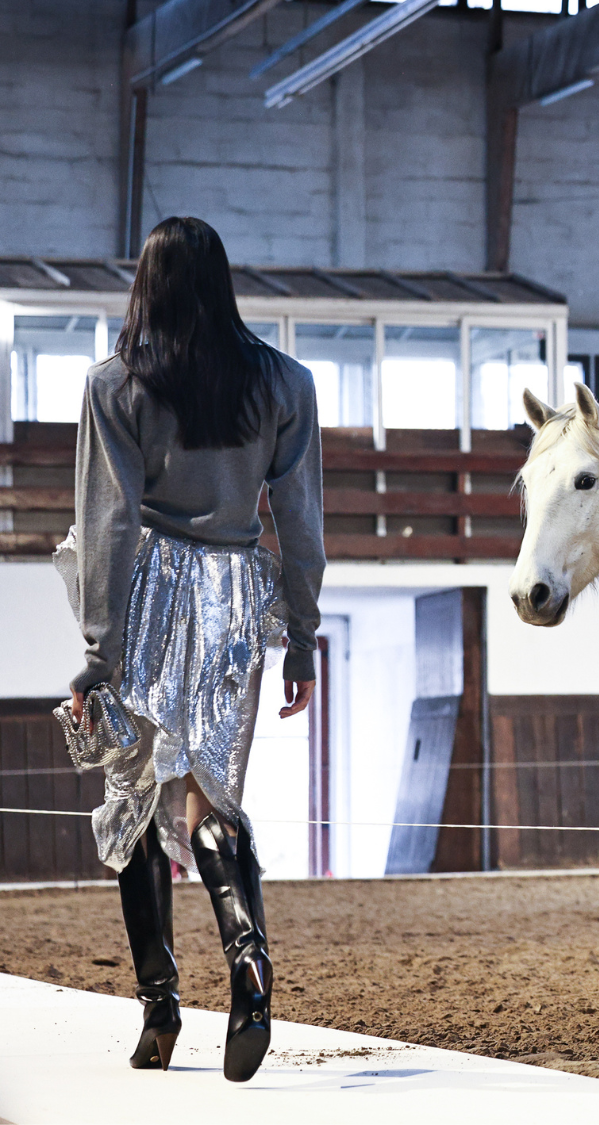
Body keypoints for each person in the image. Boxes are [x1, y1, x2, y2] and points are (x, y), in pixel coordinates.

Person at [62, 217, 324, 1081]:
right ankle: (248, 960)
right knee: (210, 798)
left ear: (150, 285)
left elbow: (106, 524)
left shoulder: (116, 385)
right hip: (237, 596)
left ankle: (160, 1009)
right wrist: (302, 636)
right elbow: (301, 520)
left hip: (150, 593)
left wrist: (101, 656)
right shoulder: (285, 382)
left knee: (135, 796)